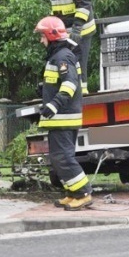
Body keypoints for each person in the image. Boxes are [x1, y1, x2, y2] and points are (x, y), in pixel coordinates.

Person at [34, 15, 92, 210]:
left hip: (63, 117)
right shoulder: (58, 56)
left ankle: (83, 193)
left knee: (64, 158)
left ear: (51, 36)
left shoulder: (63, 57)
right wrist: (44, 89)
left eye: (42, 36)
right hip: (60, 118)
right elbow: (58, 82)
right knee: (59, 158)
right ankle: (72, 192)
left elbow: (70, 84)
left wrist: (53, 105)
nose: (41, 40)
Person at [37, 0, 95, 94]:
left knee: (79, 61)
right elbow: (57, 10)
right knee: (63, 60)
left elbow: (84, 7)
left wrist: (77, 29)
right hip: (64, 31)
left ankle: (82, 92)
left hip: (81, 30)